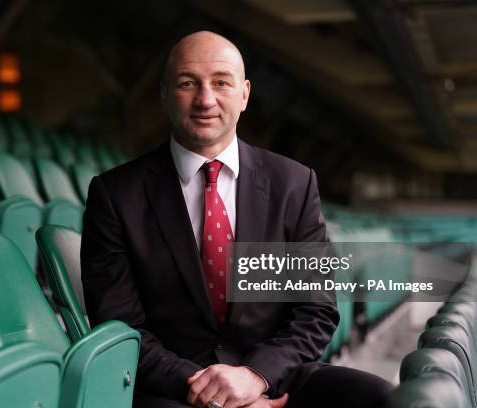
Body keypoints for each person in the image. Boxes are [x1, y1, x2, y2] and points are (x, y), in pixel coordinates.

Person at [81, 31, 392, 408]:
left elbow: (316, 309)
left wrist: (254, 377)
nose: (205, 99)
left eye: (221, 83)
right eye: (187, 83)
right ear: (164, 95)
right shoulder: (115, 195)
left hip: (274, 378)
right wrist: (214, 395)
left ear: (244, 94)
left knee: (378, 398)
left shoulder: (293, 184)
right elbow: (121, 327)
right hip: (175, 389)